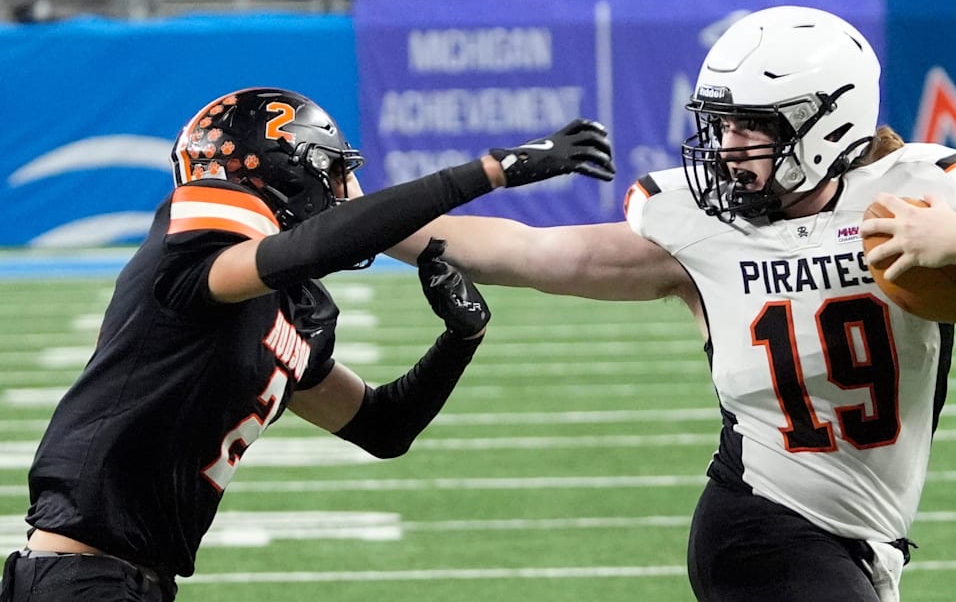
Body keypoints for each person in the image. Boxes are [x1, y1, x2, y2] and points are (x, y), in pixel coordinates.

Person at [387, 6, 956, 602]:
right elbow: (524, 252)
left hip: (860, 539)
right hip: (761, 526)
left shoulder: (912, 202)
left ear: (829, 122)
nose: (727, 148)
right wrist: (359, 219)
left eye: (750, 127)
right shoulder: (700, 232)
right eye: (721, 126)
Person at [0, 87, 615, 601]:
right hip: (77, 575)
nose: (346, 191)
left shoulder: (291, 306)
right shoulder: (200, 234)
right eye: (332, 171)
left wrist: (461, 338)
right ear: (280, 172)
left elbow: (382, 427)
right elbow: (315, 245)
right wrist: (488, 171)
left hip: (132, 579)